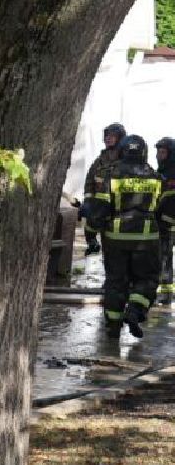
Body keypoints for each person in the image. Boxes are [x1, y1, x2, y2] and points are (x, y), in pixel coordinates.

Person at [82, 133, 162, 337]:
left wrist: (90, 234)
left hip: (116, 238)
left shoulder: (113, 175)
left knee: (116, 282)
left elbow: (100, 209)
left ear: (124, 151)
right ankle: (135, 310)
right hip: (146, 238)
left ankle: (113, 326)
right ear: (144, 152)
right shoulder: (155, 176)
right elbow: (162, 208)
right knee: (147, 279)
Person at [83, 123, 126, 255]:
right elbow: (90, 180)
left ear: (120, 138)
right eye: (106, 136)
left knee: (117, 250)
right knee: (107, 252)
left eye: (112, 136)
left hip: (119, 213)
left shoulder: (127, 160)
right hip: (100, 211)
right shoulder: (99, 161)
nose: (108, 138)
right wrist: (88, 201)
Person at [156, 137, 175, 305]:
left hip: (169, 224)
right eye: (158, 152)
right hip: (163, 222)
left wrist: (166, 221)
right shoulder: (162, 170)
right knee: (164, 258)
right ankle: (166, 293)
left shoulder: (172, 173)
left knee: (164, 258)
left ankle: (165, 293)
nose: (159, 155)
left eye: (163, 152)